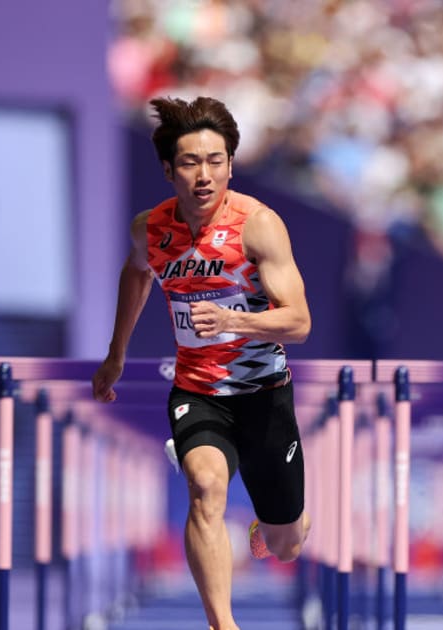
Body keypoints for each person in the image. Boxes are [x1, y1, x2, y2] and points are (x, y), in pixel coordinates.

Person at [91, 96, 312, 630]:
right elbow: (137, 273)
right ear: (169, 170)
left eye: (216, 161)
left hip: (264, 393)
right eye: (191, 163)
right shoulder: (150, 227)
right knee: (206, 486)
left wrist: (236, 322)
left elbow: (299, 322)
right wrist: (116, 353)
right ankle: (222, 623)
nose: (205, 174)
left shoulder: (258, 226)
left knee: (285, 544)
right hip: (197, 390)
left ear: (231, 166)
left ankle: (272, 521)